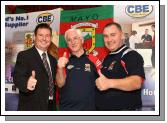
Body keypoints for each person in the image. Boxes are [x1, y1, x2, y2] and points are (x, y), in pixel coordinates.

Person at [95, 22, 145, 111]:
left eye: (113, 35)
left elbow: (136, 82)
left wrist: (109, 83)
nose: (109, 39)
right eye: (106, 36)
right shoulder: (107, 58)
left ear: (122, 35)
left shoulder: (130, 55)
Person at [13, 23, 57, 111]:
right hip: (31, 108)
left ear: (51, 38)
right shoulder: (24, 55)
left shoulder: (53, 60)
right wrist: (26, 83)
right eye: (41, 35)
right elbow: (17, 78)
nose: (44, 39)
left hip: (50, 107)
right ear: (34, 37)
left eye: (47, 36)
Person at [56, 29, 99, 111]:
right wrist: (60, 68)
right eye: (69, 40)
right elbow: (60, 84)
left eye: (75, 38)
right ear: (67, 44)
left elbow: (103, 81)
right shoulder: (63, 61)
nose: (72, 42)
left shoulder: (93, 59)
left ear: (82, 40)